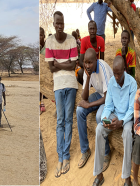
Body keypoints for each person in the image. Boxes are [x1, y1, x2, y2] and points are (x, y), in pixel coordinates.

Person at [92, 56, 137, 186]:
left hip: (127, 118)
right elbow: (108, 106)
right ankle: (99, 174)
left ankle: (127, 177)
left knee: (128, 132)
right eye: (114, 73)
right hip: (115, 114)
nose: (116, 77)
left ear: (124, 69)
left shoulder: (132, 83)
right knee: (99, 129)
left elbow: (132, 109)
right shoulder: (112, 82)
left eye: (118, 73)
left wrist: (121, 122)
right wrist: (105, 119)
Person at [46, 10, 78, 178]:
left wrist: (59, 63)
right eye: (57, 23)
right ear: (53, 24)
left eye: (62, 23)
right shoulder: (49, 41)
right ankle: (60, 157)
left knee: (68, 120)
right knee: (60, 121)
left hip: (71, 84)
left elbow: (74, 66)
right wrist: (65, 63)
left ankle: (66, 156)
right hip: (58, 85)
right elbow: (51, 67)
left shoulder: (72, 40)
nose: (59, 26)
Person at [76, 48, 113, 169]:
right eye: (85, 62)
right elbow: (84, 96)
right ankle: (85, 150)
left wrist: (89, 105)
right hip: (99, 94)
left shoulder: (102, 68)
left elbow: (107, 98)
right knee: (79, 110)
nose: (87, 65)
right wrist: (87, 79)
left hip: (110, 97)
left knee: (99, 117)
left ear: (96, 60)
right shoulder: (88, 70)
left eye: (90, 62)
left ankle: (106, 152)